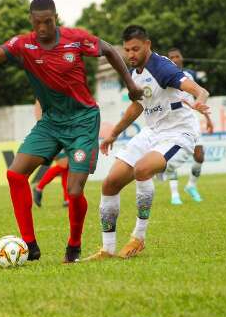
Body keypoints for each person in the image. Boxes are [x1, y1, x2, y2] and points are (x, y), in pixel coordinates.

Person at [0, 0, 142, 263]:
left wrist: (129, 83)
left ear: (55, 17)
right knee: (15, 174)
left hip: (82, 120)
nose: (44, 27)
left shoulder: (76, 38)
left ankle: (74, 245)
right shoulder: (22, 44)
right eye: (38, 22)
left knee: (73, 190)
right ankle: (29, 245)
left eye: (48, 21)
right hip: (51, 123)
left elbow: (109, 50)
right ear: (31, 21)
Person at [84, 25, 210, 261]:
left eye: (136, 49)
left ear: (148, 45)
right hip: (152, 132)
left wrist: (201, 97)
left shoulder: (161, 67)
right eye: (127, 50)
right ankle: (107, 249)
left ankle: (138, 238)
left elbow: (197, 89)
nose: (131, 54)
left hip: (178, 134)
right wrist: (114, 134)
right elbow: (137, 106)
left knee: (142, 169)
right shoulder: (136, 73)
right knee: (110, 183)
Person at [166, 48, 214, 204]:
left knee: (199, 156)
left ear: (182, 58)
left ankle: (191, 186)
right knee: (171, 158)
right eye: (171, 57)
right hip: (171, 122)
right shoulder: (163, 76)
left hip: (190, 120)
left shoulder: (189, 75)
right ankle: (174, 194)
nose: (174, 59)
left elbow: (198, 97)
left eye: (177, 56)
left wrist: (208, 118)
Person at [31, 100, 70, 208]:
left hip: (66, 132)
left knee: (67, 168)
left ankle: (67, 199)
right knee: (64, 164)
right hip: (53, 133)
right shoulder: (44, 90)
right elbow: (38, 105)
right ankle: (39, 187)